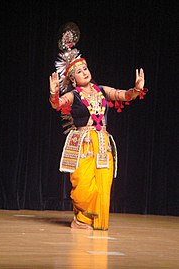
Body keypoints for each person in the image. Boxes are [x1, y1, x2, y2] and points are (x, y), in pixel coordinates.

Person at [49, 22, 147, 231]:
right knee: (83, 186)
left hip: (102, 143)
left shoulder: (101, 90)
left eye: (85, 68)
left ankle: (89, 220)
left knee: (103, 184)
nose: (84, 72)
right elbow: (57, 105)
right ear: (73, 80)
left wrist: (136, 90)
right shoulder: (73, 95)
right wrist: (53, 93)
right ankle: (80, 219)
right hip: (83, 144)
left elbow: (123, 95)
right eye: (78, 71)